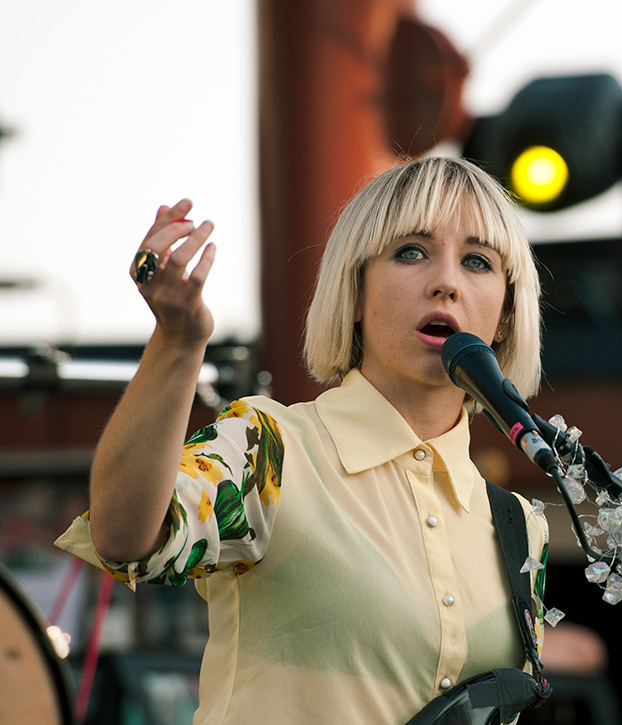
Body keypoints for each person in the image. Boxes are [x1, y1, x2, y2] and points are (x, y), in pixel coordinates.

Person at [55, 156, 549, 724]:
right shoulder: (269, 450)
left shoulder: (519, 528)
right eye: (411, 252)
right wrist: (178, 342)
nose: (446, 281)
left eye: (478, 261)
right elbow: (126, 537)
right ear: (354, 291)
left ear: (507, 315)